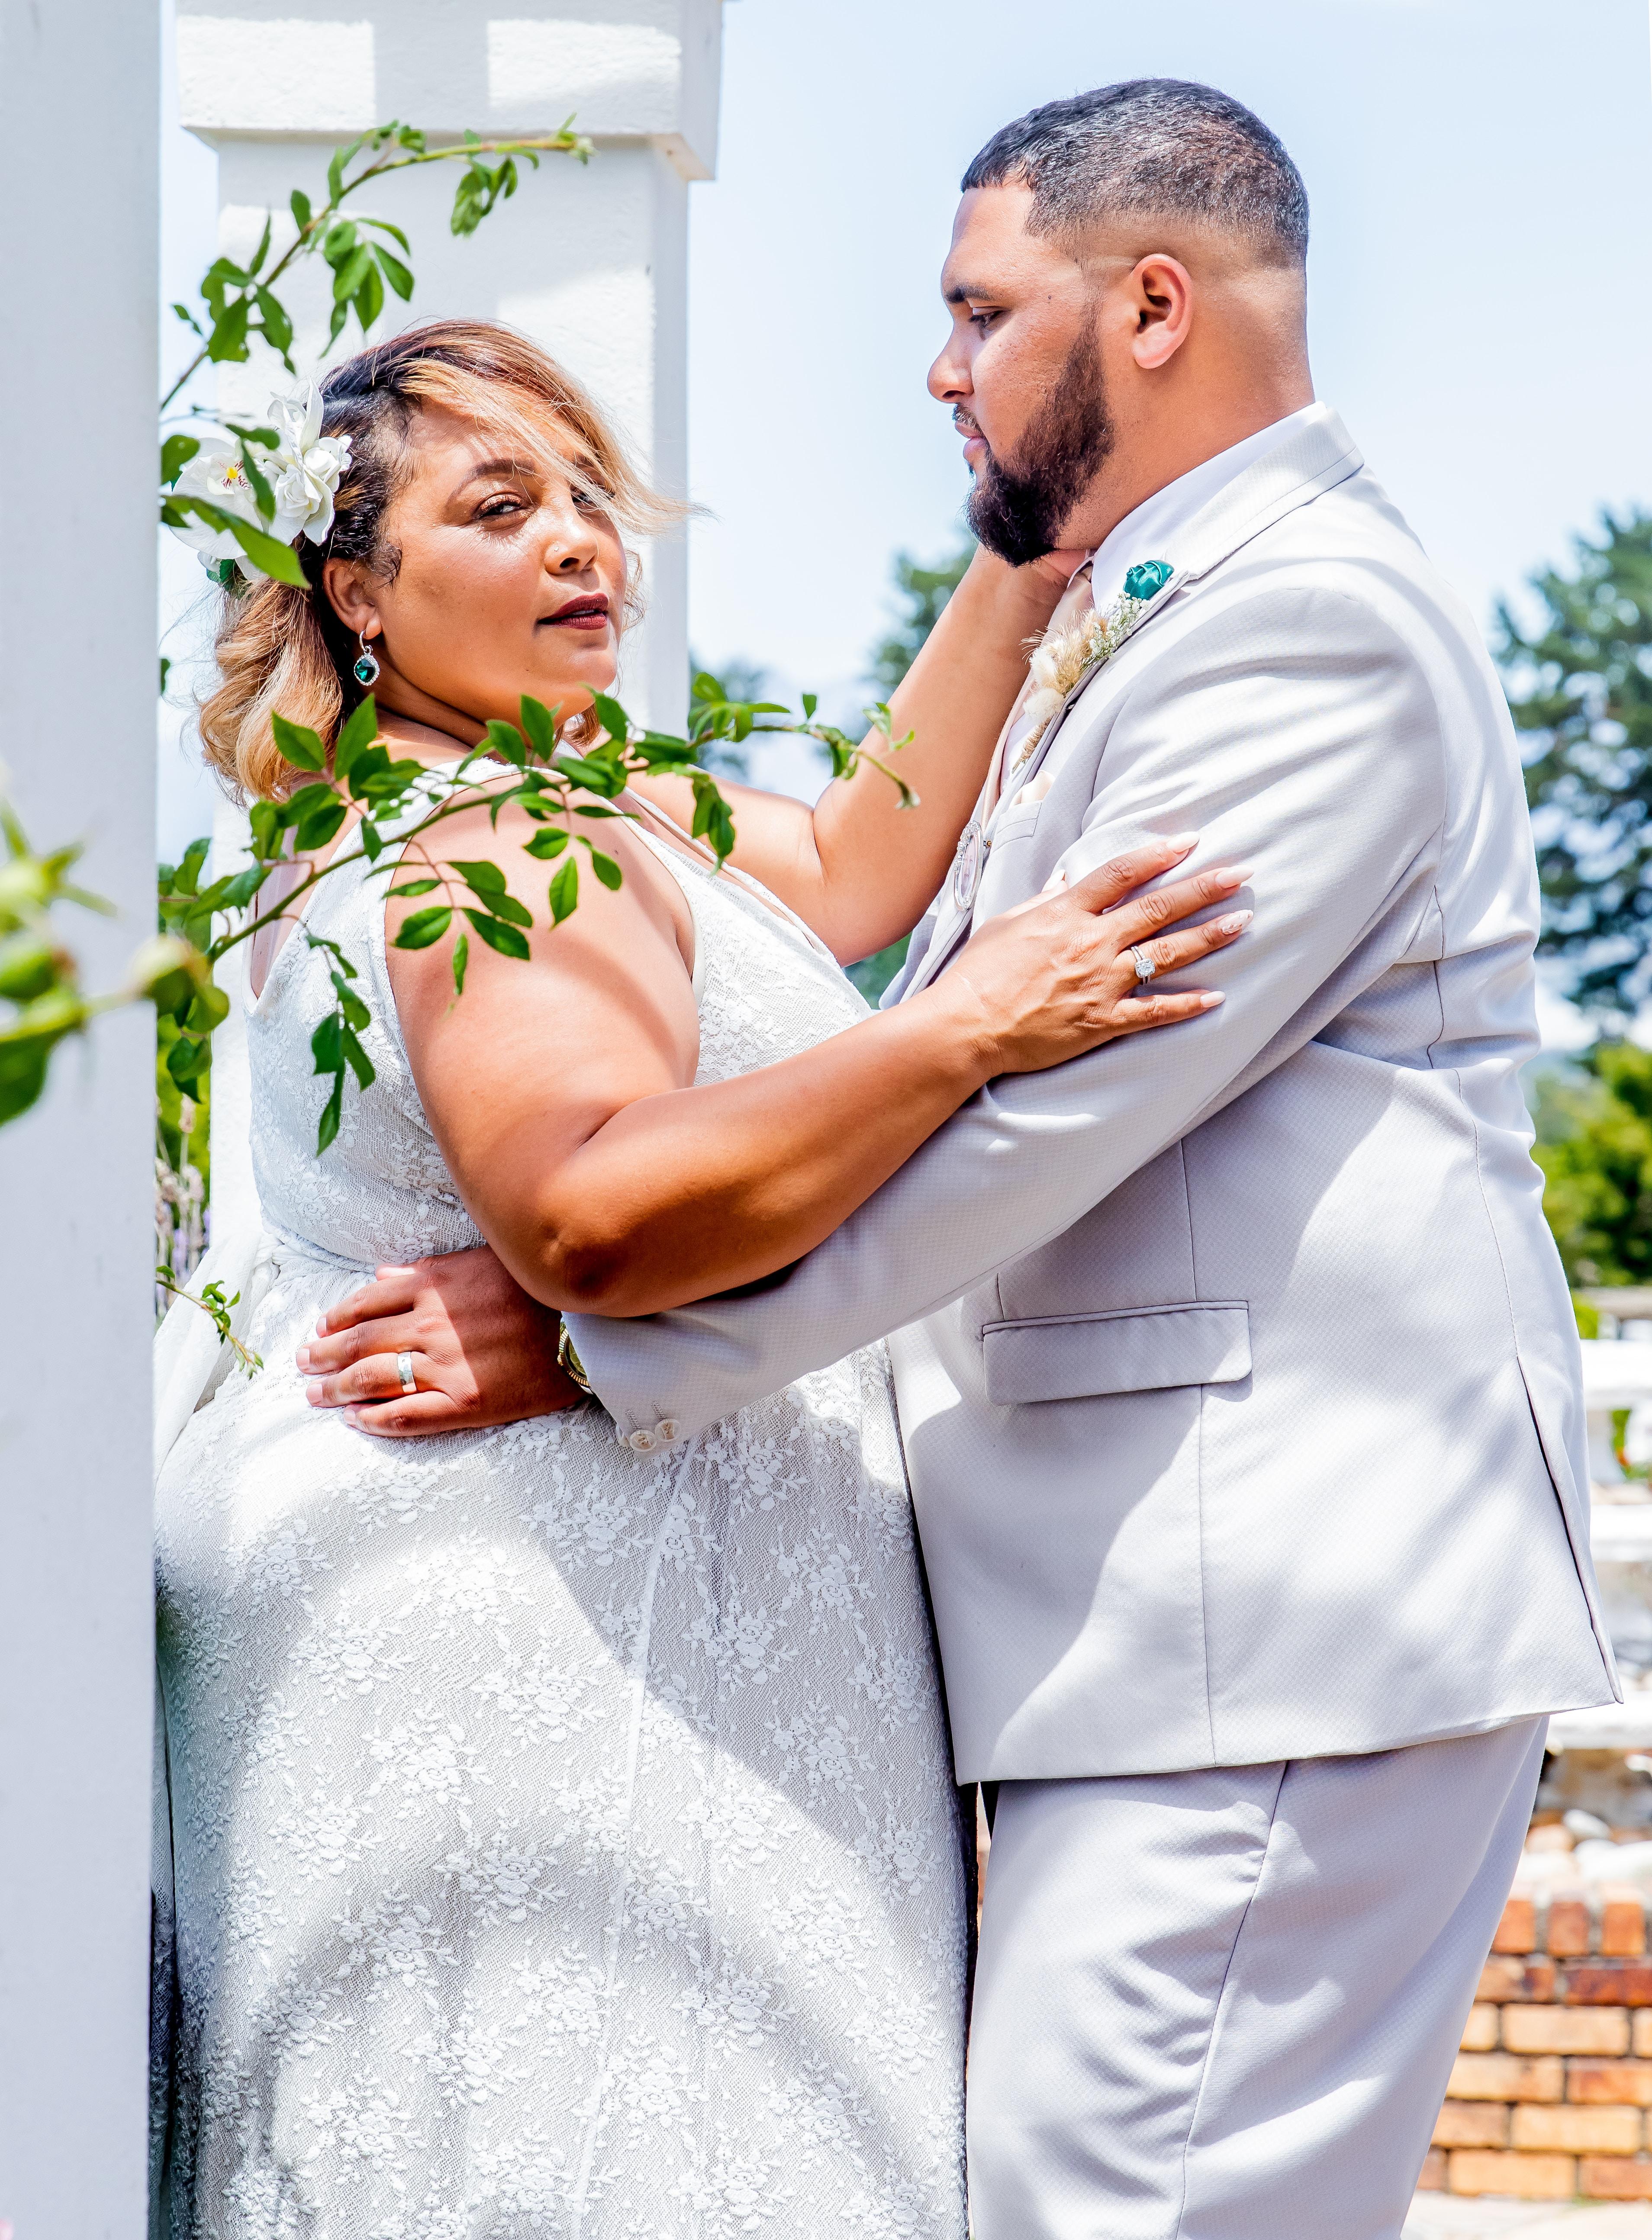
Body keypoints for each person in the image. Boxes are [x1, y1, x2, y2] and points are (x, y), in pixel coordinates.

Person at [306, 83, 1621, 2237]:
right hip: (1163, 1628)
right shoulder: (1158, 599)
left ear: (1154, 307)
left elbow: (1028, 1126)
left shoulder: (1304, 634)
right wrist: (1025, 573)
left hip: (1273, 1610)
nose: (935, 370)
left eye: (976, 313)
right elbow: (863, 889)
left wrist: (602, 1340)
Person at [150, 318, 1247, 2236]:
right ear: (359, 590)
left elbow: (836, 861)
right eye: (503, 507)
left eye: (590, 499)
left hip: (585, 1609)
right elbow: (588, 1214)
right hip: (565, 1646)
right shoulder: (488, 838)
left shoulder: (535, 785)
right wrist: (964, 1033)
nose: (586, 543)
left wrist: (1010, 547)